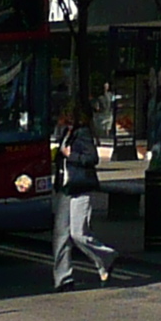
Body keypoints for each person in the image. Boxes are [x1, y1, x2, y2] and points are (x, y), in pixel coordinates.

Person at [51, 99, 117, 288]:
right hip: (65, 188)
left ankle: (107, 257)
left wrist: (70, 155)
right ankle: (63, 278)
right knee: (60, 236)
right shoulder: (65, 133)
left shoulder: (83, 134)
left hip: (80, 187)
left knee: (78, 233)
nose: (62, 118)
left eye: (65, 114)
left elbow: (92, 158)